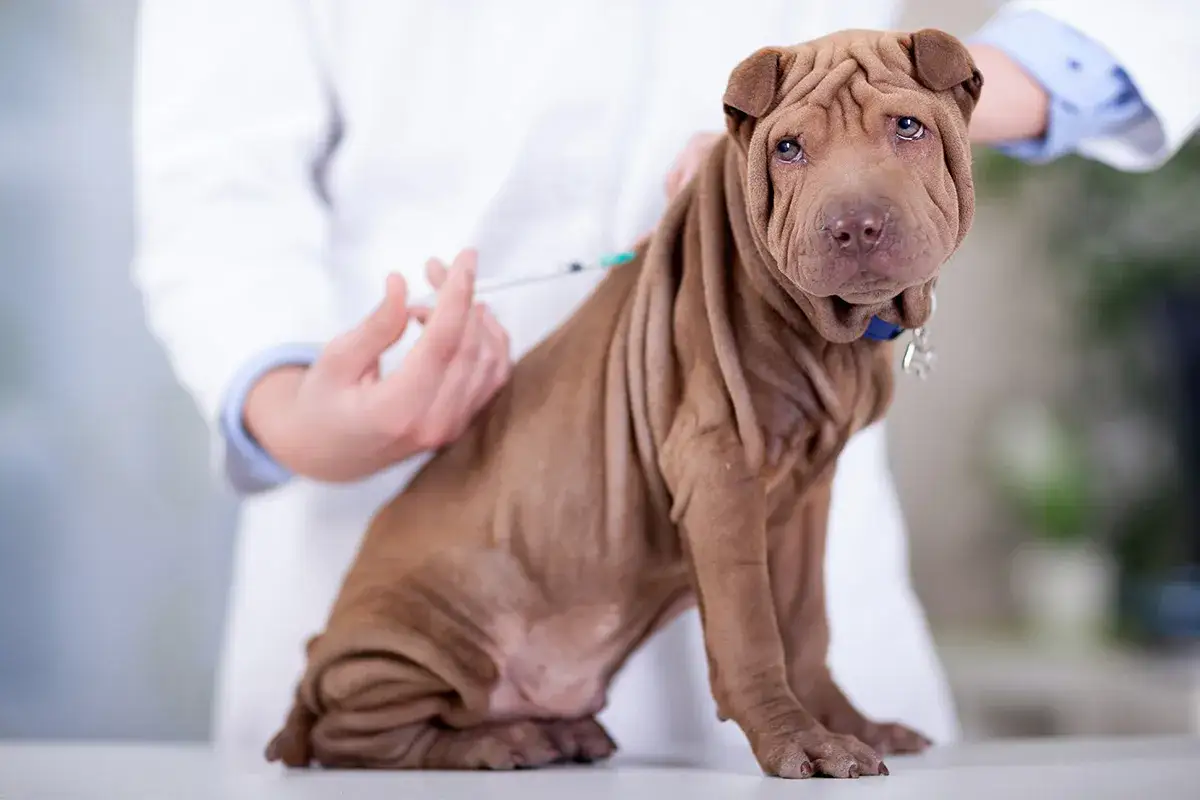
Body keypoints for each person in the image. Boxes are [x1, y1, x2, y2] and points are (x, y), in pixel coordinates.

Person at [131, 0, 1200, 769]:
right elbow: (211, 190)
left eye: (908, 131)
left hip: (812, 465)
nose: (854, 195)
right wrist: (290, 408)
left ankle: (799, 685)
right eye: (792, 150)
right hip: (420, 503)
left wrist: (946, 95)